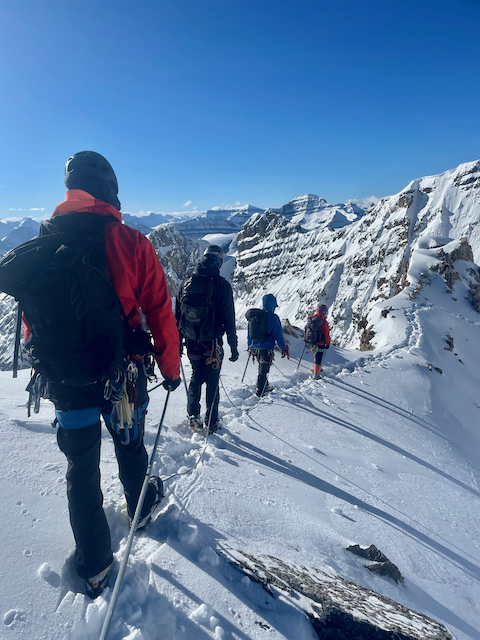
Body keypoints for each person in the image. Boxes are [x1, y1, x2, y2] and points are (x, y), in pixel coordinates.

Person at [36, 151, 181, 597]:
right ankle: (140, 508)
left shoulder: (43, 242)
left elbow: (34, 320)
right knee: (129, 444)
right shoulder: (131, 241)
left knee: (80, 468)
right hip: (121, 379)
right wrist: (172, 370)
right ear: (109, 190)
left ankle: (95, 565)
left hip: (66, 381)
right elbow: (159, 311)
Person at [176, 245, 238, 433]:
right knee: (212, 381)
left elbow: (177, 316)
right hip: (212, 344)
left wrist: (178, 343)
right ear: (219, 262)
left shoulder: (187, 283)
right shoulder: (222, 285)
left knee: (196, 376)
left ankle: (193, 417)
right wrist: (233, 347)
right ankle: (211, 422)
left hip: (191, 342)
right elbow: (229, 319)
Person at [247, 294, 287, 397]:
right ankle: (260, 391)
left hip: (255, 347)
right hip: (266, 348)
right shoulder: (273, 318)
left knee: (262, 369)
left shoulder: (256, 316)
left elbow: (249, 333)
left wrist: (249, 345)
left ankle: (265, 385)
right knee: (263, 371)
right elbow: (278, 335)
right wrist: (283, 348)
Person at [304, 303, 331, 379]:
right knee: (319, 357)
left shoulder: (311, 318)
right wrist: (328, 343)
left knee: (316, 355)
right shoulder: (323, 322)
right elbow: (326, 334)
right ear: (324, 312)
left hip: (312, 342)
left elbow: (306, 328)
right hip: (320, 342)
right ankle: (316, 375)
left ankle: (316, 369)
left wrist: (306, 338)